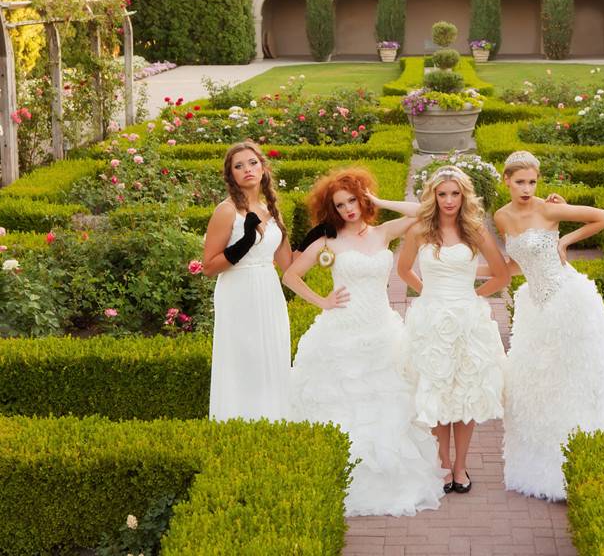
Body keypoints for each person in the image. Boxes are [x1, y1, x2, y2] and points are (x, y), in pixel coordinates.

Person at [281, 168, 446, 517]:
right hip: (342, 331)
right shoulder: (329, 241)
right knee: (342, 405)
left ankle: (388, 477)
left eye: (352, 201)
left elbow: (425, 210)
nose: (347, 210)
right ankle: (338, 474)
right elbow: (290, 275)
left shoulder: (383, 232)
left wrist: (380, 201)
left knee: (388, 401)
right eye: (339, 205)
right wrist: (322, 301)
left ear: (363, 199)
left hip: (382, 329)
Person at [489, 151, 604, 501]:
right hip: (534, 306)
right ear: (507, 181)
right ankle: (545, 464)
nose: (527, 188)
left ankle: (579, 459)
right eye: (520, 182)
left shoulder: (548, 209)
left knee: (571, 381)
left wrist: (564, 240)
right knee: (537, 385)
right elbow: (517, 264)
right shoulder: (500, 217)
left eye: (532, 181)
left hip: (567, 301)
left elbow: (603, 218)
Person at [397, 165, 509, 494]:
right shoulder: (419, 231)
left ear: (464, 196)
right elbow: (403, 270)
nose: (449, 200)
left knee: (466, 393)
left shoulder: (476, 231)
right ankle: (443, 464)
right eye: (442, 194)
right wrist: (428, 293)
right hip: (431, 320)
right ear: (433, 195)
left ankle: (461, 465)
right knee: (437, 391)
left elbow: (501, 276)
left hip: (468, 321)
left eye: (455, 194)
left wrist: (471, 297)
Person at [202, 141, 293, 422]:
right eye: (238, 166)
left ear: (263, 168)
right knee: (245, 358)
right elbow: (208, 266)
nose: (247, 170)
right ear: (232, 175)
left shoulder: (271, 211)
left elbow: (289, 266)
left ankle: (274, 422)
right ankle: (240, 423)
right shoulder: (226, 211)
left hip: (269, 292)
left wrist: (321, 239)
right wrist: (244, 242)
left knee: (272, 356)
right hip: (238, 292)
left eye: (252, 163)